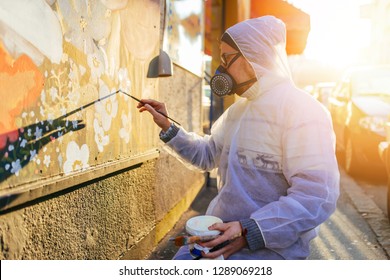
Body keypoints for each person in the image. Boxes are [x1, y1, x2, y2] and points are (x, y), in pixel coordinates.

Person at [137, 16, 340, 260]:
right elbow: (207, 154)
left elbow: (316, 195)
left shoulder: (303, 111)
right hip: (219, 236)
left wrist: (248, 230)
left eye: (226, 59)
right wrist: (169, 127)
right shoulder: (240, 110)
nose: (220, 68)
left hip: (272, 249)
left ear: (252, 56)